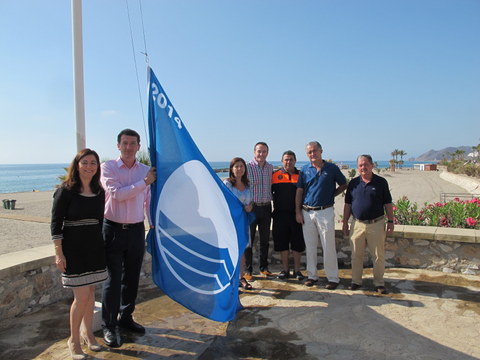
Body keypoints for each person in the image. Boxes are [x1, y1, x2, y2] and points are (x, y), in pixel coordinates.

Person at [100, 129, 156, 347]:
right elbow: (117, 194)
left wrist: (152, 225)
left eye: (133, 143)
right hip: (112, 230)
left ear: (138, 146)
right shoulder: (108, 168)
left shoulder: (145, 170)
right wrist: (144, 182)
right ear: (118, 146)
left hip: (135, 231)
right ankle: (109, 326)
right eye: (125, 143)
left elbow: (148, 201)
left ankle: (126, 318)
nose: (129, 147)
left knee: (131, 279)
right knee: (112, 281)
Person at [51, 148, 108, 360]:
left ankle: (88, 335)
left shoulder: (99, 191)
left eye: (93, 163)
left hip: (94, 248)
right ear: (77, 165)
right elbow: (56, 224)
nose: (89, 166)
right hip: (73, 250)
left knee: (91, 294)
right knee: (81, 297)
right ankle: (73, 341)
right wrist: (59, 253)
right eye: (85, 162)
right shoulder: (65, 191)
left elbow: (100, 222)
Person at [295, 141, 347, 289]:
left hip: (325, 212)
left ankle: (333, 278)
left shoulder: (332, 168)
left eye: (315, 151)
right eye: (309, 152)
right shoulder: (304, 170)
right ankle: (312, 275)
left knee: (328, 245)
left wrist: (332, 195)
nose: (312, 154)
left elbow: (343, 184)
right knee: (310, 246)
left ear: (321, 151)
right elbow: (299, 191)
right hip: (307, 212)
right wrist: (297, 211)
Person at [342, 154, 394, 294]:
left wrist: (391, 221)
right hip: (357, 224)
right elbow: (347, 204)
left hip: (376, 224)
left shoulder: (381, 182)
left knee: (378, 256)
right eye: (360, 165)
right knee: (356, 255)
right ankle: (356, 281)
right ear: (357, 167)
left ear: (372, 165)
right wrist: (345, 222)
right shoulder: (353, 183)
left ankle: (379, 283)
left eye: (366, 164)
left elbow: (387, 203)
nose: (363, 167)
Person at [271, 150, 305, 280]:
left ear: (295, 161)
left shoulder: (301, 175)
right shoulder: (275, 175)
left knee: (297, 244)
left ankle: (297, 271)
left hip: (297, 215)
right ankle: (285, 270)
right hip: (279, 215)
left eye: (291, 159)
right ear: (282, 161)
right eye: (286, 159)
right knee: (282, 243)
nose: (288, 162)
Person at [223, 157, 254, 290]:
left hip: (243, 222)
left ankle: (241, 278)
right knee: (231, 250)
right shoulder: (227, 184)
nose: (239, 169)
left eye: (241, 166)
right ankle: (230, 280)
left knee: (241, 249)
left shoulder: (248, 185)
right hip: (230, 222)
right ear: (231, 169)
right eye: (236, 166)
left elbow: (251, 201)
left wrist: (251, 206)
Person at [245, 142, 274, 279]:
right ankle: (248, 270)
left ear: (267, 152)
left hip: (267, 207)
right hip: (252, 208)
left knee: (264, 240)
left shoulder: (270, 167)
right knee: (249, 240)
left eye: (264, 151)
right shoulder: (247, 167)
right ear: (254, 151)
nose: (261, 154)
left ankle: (264, 267)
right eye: (259, 151)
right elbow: (240, 185)